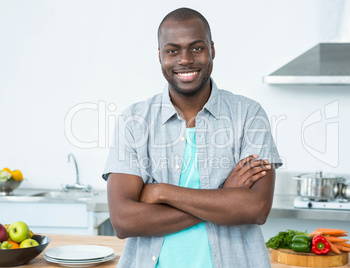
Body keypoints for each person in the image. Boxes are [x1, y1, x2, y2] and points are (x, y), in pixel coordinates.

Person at [103, 7, 282, 268]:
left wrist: (161, 192)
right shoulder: (134, 120)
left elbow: (255, 209)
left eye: (196, 48)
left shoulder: (249, 115)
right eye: (172, 50)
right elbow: (124, 221)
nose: (185, 60)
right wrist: (224, 197)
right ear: (160, 55)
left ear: (212, 49)